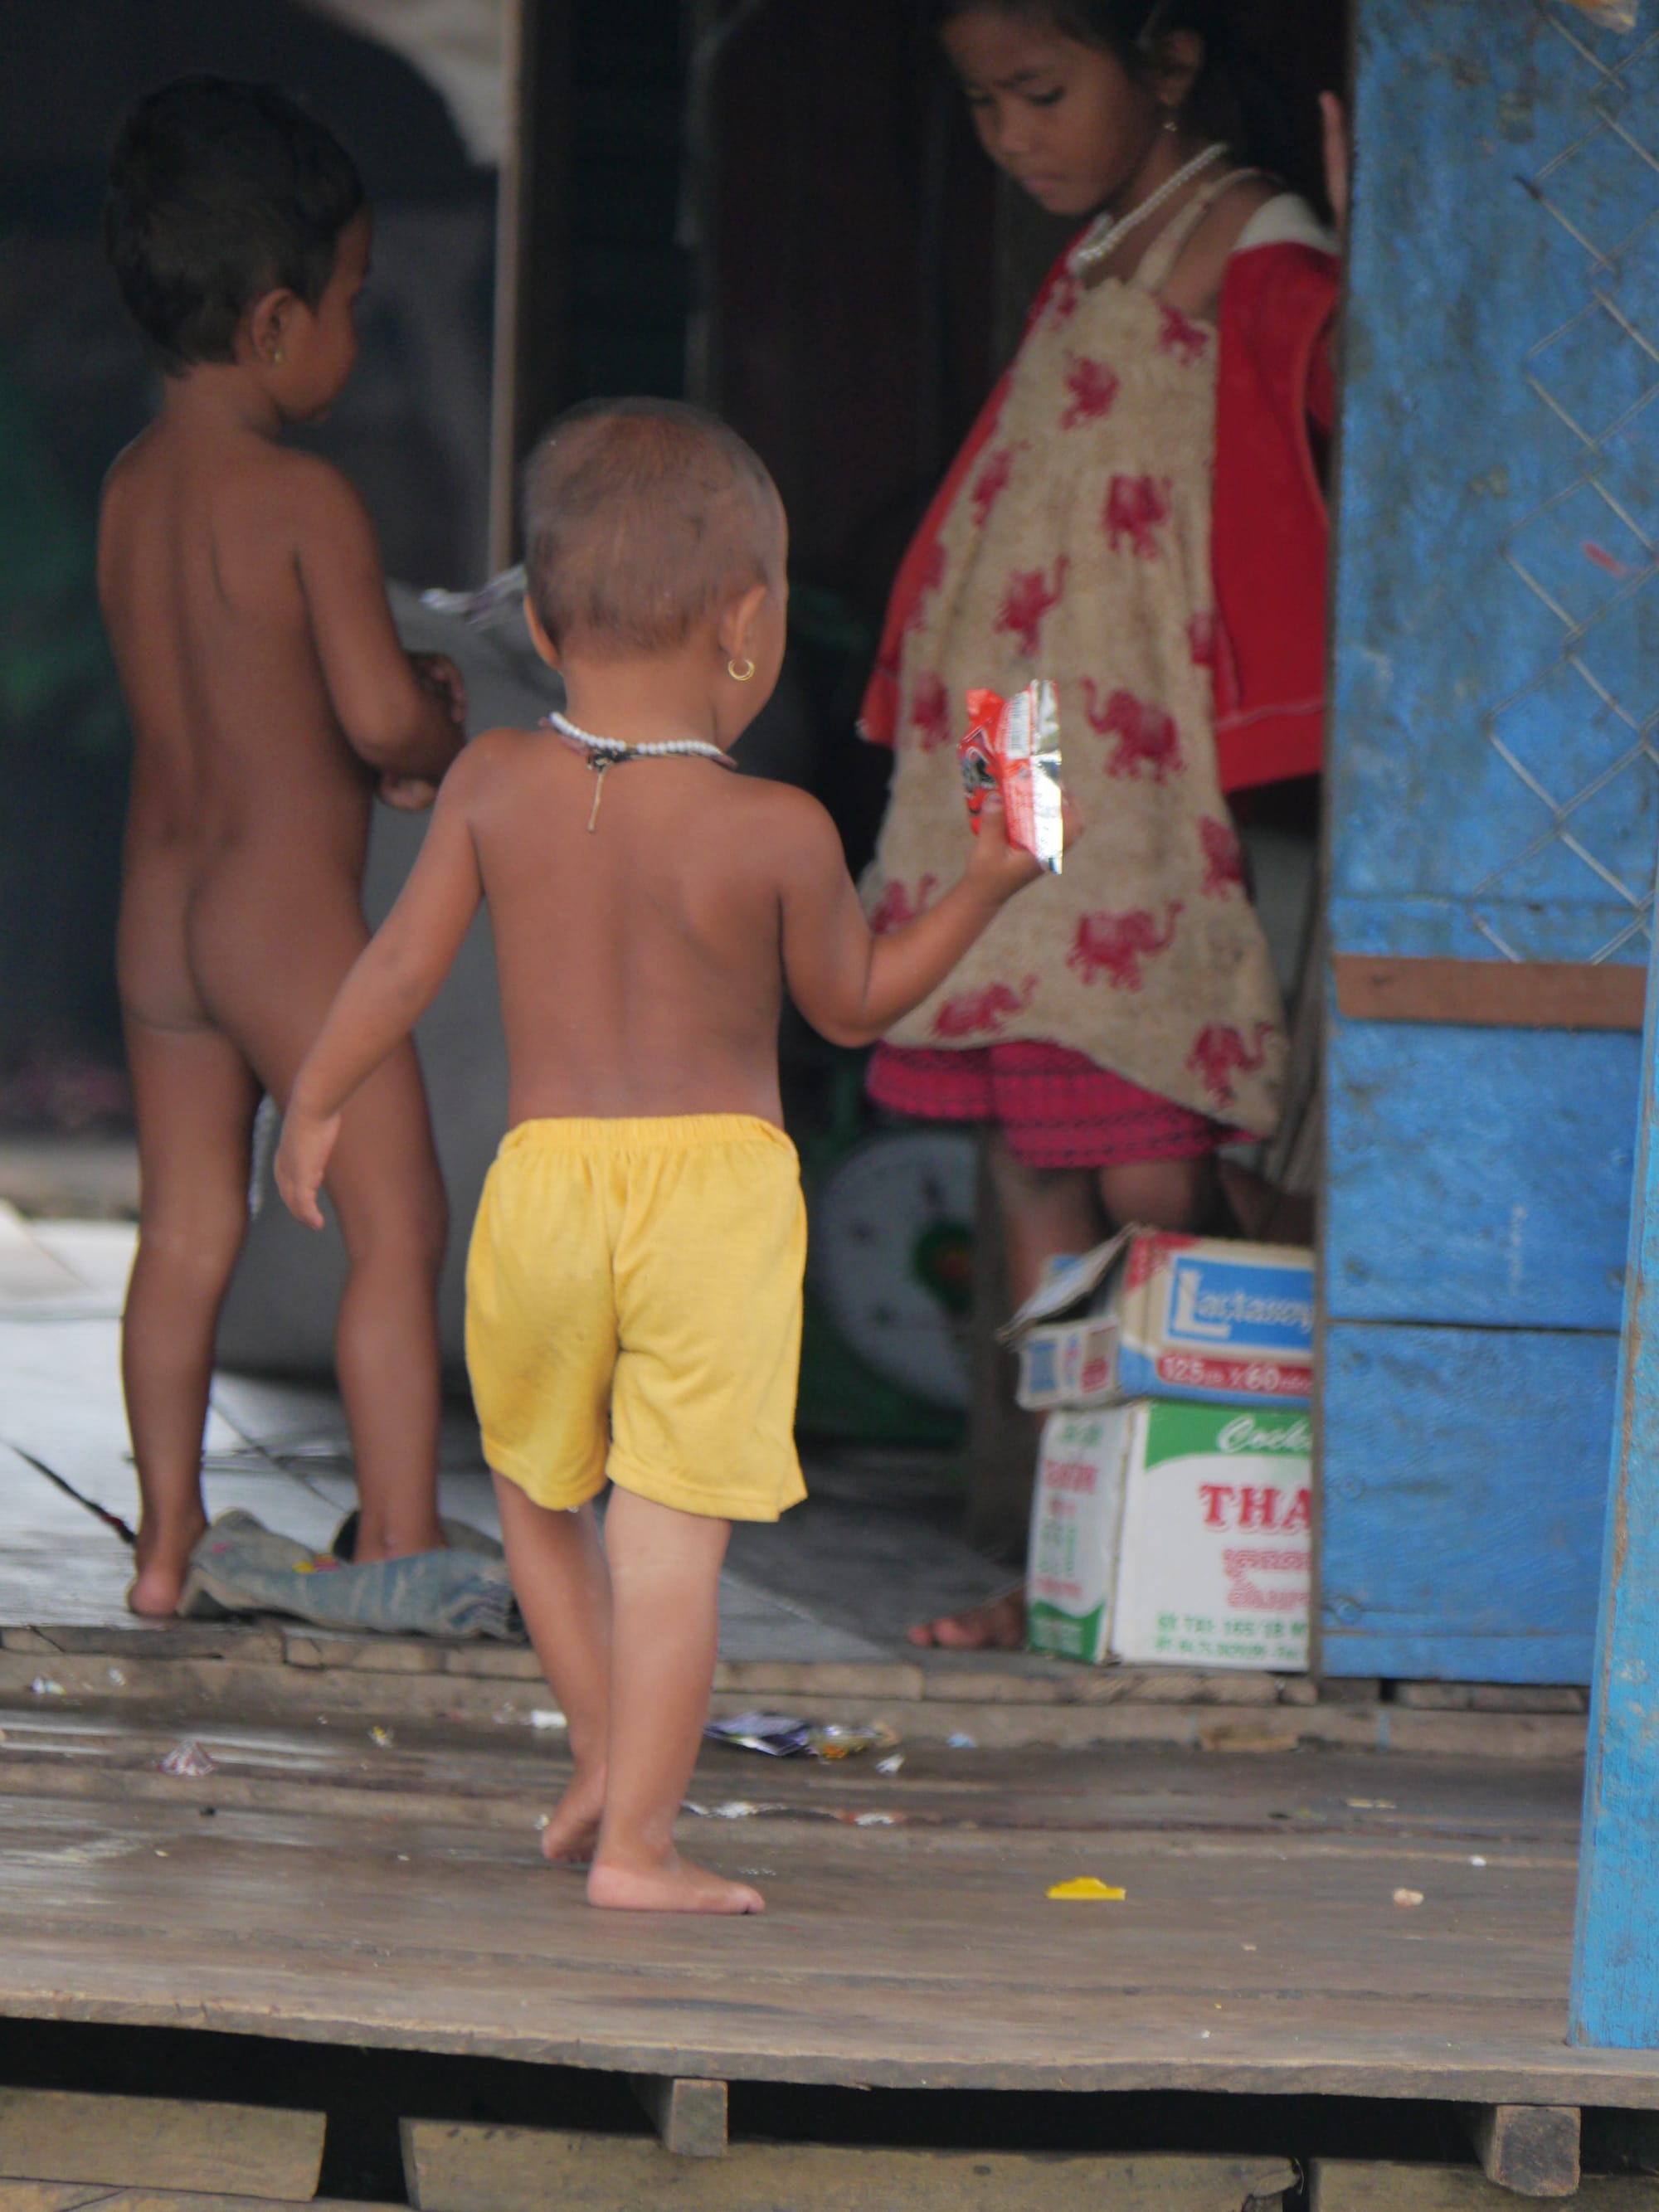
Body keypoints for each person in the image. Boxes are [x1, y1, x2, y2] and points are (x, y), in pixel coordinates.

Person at [274, 400, 1068, 1913]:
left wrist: (312, 1100)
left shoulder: (496, 778)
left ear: (545, 620)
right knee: (672, 1540)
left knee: (532, 1492)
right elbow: (854, 1005)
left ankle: (600, 1766)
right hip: (713, 1197)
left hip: (547, 1186)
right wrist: (987, 884)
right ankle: (639, 1840)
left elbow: (393, 970)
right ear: (749, 624)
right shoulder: (775, 827)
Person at [855, 0, 1346, 1648]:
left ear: (1172, 59)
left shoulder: (1245, 235)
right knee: (1025, 1132)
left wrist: (1388, 255)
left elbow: (1347, 378)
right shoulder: (1103, 243)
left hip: (1129, 763)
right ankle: (1064, 1540)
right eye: (984, 103)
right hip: (1014, 738)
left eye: (1041, 92)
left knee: (1146, 1135)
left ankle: (1177, 1523)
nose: (1011, 135)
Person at [99, 78, 466, 1616]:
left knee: (186, 1225)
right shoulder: (306, 497)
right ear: (271, 322)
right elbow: (379, 721)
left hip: (159, 922)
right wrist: (437, 726)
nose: (356, 336)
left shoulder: (129, 487)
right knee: (397, 1221)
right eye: (354, 305)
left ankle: (169, 1549)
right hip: (284, 922)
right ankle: (396, 1539)